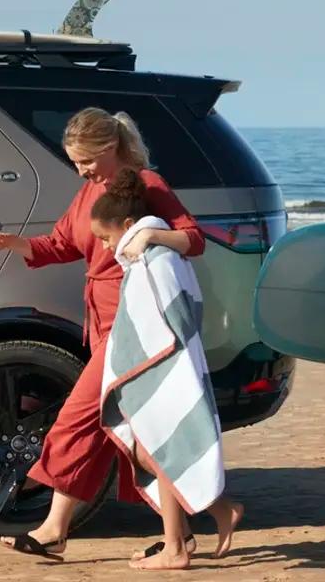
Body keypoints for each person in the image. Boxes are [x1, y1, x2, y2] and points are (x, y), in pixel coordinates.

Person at [0, 107, 235, 561]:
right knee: (121, 431)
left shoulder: (148, 186)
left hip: (136, 324)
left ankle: (60, 528)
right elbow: (61, 244)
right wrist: (13, 243)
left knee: (80, 418)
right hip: (100, 323)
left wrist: (152, 238)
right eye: (75, 162)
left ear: (111, 147)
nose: (81, 171)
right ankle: (210, 515)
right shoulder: (87, 193)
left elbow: (193, 239)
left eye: (86, 161)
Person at [91, 168, 244, 570]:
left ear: (126, 225)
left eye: (106, 238)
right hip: (165, 366)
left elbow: (167, 316)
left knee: (159, 449)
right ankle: (217, 510)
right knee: (152, 450)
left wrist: (140, 361)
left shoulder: (153, 256)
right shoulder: (145, 254)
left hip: (165, 369)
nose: (107, 249)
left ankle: (177, 547)